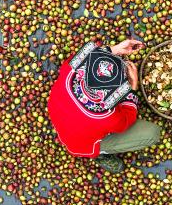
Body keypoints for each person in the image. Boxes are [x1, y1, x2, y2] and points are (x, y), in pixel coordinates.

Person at [47, 37, 162, 173]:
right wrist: (133, 87)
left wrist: (115, 49)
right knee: (152, 133)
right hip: (79, 143)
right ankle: (99, 154)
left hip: (58, 113)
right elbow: (127, 118)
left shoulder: (70, 68)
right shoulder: (105, 116)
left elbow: (88, 55)